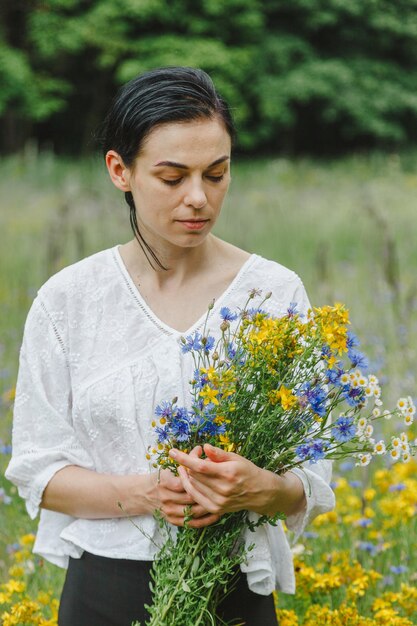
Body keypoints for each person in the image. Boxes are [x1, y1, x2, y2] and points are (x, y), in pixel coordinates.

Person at [5, 66, 335, 626]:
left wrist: (259, 489)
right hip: (102, 591)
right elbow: (38, 471)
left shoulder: (276, 293)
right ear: (120, 170)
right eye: (172, 176)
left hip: (235, 590)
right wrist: (144, 495)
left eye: (217, 173)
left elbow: (310, 482)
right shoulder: (69, 300)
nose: (198, 198)